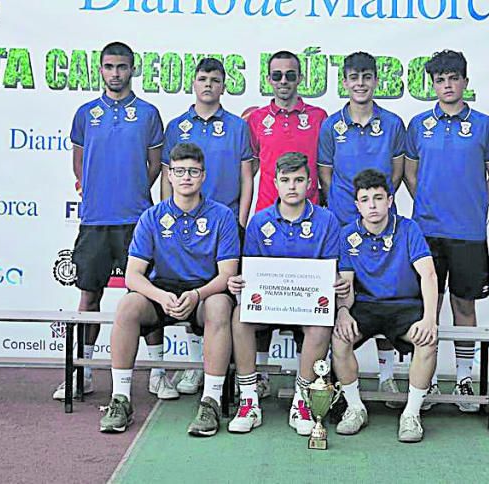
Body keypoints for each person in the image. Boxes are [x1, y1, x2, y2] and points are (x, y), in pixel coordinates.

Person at [100, 143, 240, 437]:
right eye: (179, 171)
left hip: (204, 291)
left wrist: (197, 295)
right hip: (163, 292)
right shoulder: (152, 217)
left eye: (193, 171)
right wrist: (160, 296)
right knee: (127, 307)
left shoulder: (222, 216)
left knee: (219, 306)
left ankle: (211, 401)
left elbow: (227, 275)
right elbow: (133, 276)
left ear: (203, 176)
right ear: (169, 176)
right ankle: (120, 398)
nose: (186, 177)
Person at [58, 41, 168, 402]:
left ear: (132, 69)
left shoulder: (149, 114)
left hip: (137, 219)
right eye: (109, 67)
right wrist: (94, 192)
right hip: (94, 221)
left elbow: (155, 165)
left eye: (122, 67)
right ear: (101, 70)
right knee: (89, 294)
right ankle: (83, 373)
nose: (116, 73)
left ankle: (157, 373)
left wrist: (134, 192)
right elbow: (79, 162)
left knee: (144, 295)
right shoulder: (85, 113)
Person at [318, 51, 422, 407]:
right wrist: (350, 212)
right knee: (346, 297)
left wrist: (376, 207)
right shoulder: (331, 125)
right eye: (353, 77)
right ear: (344, 82)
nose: (360, 83)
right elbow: (326, 175)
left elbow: (396, 173)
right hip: (345, 224)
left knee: (384, 289)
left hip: (379, 219)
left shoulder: (393, 123)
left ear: (376, 80)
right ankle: (334, 384)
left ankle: (387, 376)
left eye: (366, 76)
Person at [404, 50, 489, 412]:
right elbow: (410, 175)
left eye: (453, 79)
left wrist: (472, 208)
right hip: (427, 231)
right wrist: (430, 205)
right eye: (440, 80)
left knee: (464, 304)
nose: (447, 86)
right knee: (426, 306)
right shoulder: (418, 125)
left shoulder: (484, 125)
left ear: (465, 81)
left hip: (468, 233)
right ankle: (424, 380)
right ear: (433, 84)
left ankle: (464, 378)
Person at [225, 152, 347, 435]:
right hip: (269, 303)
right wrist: (238, 283)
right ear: (276, 184)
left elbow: (332, 270)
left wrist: (338, 283)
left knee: (320, 323)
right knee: (239, 316)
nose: (292, 186)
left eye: (299, 180)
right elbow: (250, 271)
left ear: (309, 183)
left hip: (306, 304)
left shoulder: (327, 221)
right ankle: (249, 401)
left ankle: (302, 402)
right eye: (286, 180)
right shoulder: (258, 222)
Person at [161, 57, 255, 396]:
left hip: (225, 228)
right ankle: (193, 365)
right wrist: (164, 218)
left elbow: (247, 179)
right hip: (182, 226)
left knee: (221, 299)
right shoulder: (175, 126)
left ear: (223, 85)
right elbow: (165, 179)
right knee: (186, 285)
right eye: (202, 78)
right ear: (194, 83)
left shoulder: (238, 126)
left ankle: (234, 373)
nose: (208, 85)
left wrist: (240, 222)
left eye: (215, 79)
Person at [332, 168, 440, 443]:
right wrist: (343, 311)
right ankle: (355, 407)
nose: (372, 205)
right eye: (365, 199)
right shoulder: (347, 235)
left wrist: (430, 318)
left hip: (404, 306)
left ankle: (411, 414)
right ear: (357, 204)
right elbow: (346, 283)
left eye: (378, 198)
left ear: (390, 200)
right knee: (339, 339)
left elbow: (428, 273)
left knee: (427, 341)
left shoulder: (408, 228)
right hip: (367, 305)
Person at [246, 50, 329, 392]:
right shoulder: (254, 119)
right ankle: (260, 375)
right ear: (268, 79)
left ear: (300, 78)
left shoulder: (320, 117)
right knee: (261, 302)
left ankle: (305, 383)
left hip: (309, 225)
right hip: (266, 225)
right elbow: (247, 170)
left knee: (308, 305)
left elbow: (325, 169)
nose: (284, 82)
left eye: (290, 75)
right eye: (277, 75)